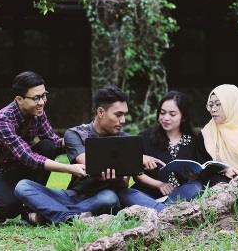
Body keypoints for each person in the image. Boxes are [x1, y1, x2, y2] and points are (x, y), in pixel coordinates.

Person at [15, 85, 164, 223]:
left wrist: (120, 174)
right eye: (118, 115)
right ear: (100, 112)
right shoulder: (75, 134)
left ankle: (49, 217)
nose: (123, 120)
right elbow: (88, 163)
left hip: (105, 196)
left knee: (109, 198)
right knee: (23, 186)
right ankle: (72, 217)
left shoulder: (124, 139)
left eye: (124, 115)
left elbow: (123, 184)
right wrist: (136, 157)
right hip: (75, 196)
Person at [0, 71, 86, 225]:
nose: (42, 102)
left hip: (21, 166)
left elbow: (54, 142)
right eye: (36, 98)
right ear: (19, 99)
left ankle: (32, 202)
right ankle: (1, 212)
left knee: (48, 146)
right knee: (9, 207)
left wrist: (79, 139)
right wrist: (69, 168)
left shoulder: (38, 112)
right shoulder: (3, 120)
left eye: (44, 96)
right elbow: (28, 157)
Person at [118, 91, 202, 210]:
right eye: (162, 113)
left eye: (172, 114)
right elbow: (136, 174)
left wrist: (194, 176)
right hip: (148, 194)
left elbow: (200, 170)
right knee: (125, 194)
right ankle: (166, 211)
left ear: (183, 117)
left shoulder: (194, 140)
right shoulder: (146, 137)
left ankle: (157, 210)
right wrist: (159, 185)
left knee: (196, 187)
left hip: (180, 194)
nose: (165, 118)